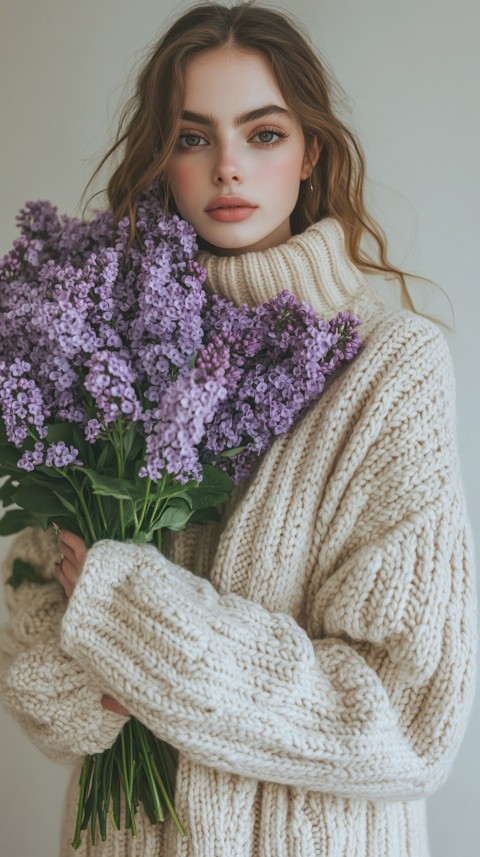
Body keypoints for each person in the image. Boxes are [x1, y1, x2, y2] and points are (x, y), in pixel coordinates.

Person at [0, 3, 476, 856]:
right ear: (162, 159)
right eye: (192, 137)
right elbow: (34, 652)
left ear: (309, 153)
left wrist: (135, 621)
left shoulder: (392, 369)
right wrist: (83, 674)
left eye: (262, 134)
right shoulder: (93, 350)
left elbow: (405, 718)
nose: (227, 168)